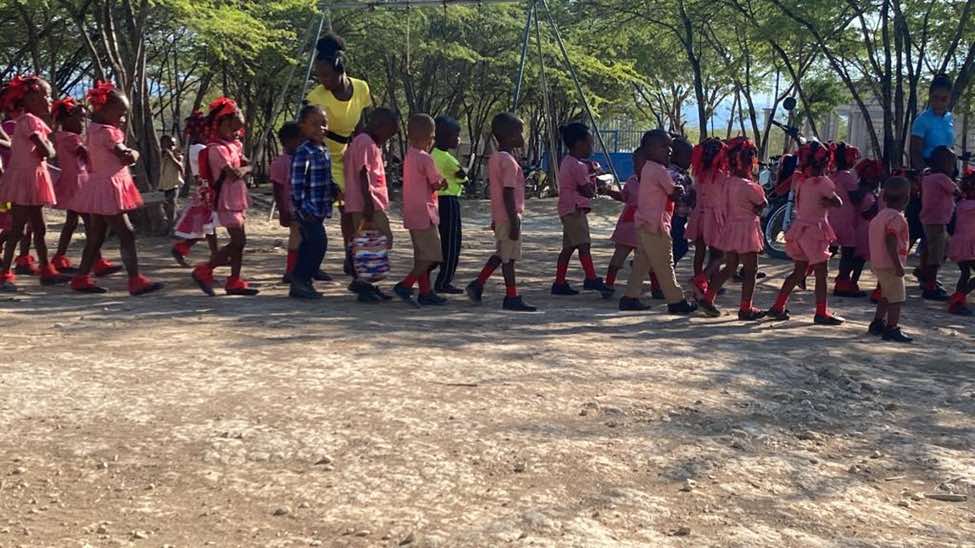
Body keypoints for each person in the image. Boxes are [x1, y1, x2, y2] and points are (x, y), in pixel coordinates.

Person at [69, 82, 162, 296]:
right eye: (120, 114)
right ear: (103, 109)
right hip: (109, 187)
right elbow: (125, 156)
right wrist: (135, 154)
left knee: (96, 235)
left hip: (99, 186)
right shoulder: (108, 133)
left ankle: (81, 277)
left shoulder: (92, 130)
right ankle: (135, 280)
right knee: (126, 233)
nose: (122, 119)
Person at [306, 33, 373, 276]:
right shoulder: (316, 97)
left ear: (339, 68)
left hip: (348, 154)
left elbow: (360, 127)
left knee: (351, 208)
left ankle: (350, 254)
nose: (322, 80)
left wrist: (364, 154)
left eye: (326, 75)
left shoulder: (362, 88)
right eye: (319, 75)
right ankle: (309, 262)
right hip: (323, 155)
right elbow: (310, 131)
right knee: (322, 209)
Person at [0, 76, 69, 291]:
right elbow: (46, 150)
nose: (49, 100)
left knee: (38, 227)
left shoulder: (31, 121)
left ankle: (46, 270)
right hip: (27, 179)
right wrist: (50, 147)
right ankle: (4, 274)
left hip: (32, 177)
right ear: (28, 98)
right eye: (45, 95)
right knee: (19, 228)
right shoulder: (29, 121)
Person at [618, 129, 697, 314]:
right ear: (649, 150)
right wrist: (678, 190)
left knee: (641, 263)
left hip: (644, 223)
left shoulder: (646, 169)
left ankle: (629, 297)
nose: (668, 151)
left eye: (669, 147)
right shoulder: (659, 170)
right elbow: (673, 191)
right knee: (665, 263)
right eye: (663, 147)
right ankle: (676, 301)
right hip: (657, 225)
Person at [465, 113, 536, 312]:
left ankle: (478, 284)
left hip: (500, 215)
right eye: (520, 132)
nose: (522, 136)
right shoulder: (509, 162)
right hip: (509, 216)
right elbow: (508, 193)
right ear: (509, 135)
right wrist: (514, 221)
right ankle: (511, 296)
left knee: (501, 253)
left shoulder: (495, 158)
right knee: (509, 258)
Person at [768, 140, 844, 324]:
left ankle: (778, 306)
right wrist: (828, 203)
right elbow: (838, 202)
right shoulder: (823, 183)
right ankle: (821, 312)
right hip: (814, 231)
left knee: (797, 271)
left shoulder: (800, 181)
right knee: (821, 272)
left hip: (799, 229)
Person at [190, 97, 258, 297]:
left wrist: (245, 167)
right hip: (226, 200)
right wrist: (247, 167)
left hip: (238, 198)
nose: (238, 132)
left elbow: (243, 166)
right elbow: (235, 172)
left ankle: (234, 280)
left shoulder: (233, 145)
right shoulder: (216, 149)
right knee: (238, 241)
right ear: (224, 122)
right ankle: (205, 269)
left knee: (240, 242)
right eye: (235, 126)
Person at [698, 137, 767, 320]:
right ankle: (746, 308)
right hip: (747, 230)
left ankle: (708, 298)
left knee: (730, 266)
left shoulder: (727, 183)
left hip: (730, 228)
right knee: (751, 269)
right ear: (750, 162)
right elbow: (761, 205)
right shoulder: (751, 187)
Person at [343, 107, 399, 303]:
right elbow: (363, 172)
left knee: (372, 242)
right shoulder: (365, 142)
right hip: (367, 204)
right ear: (379, 125)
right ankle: (362, 281)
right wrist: (368, 203)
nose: (389, 137)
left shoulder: (367, 142)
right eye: (390, 132)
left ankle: (369, 282)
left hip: (368, 203)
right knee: (376, 240)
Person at [393, 114, 448, 307]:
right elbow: (435, 183)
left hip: (412, 212)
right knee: (432, 256)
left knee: (421, 254)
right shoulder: (425, 158)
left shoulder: (409, 156)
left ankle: (426, 291)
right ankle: (406, 284)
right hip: (426, 212)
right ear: (429, 137)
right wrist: (443, 182)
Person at [552, 122, 611, 297]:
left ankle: (560, 281)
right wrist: (598, 181)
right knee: (584, 244)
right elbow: (588, 190)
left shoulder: (568, 161)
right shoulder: (577, 165)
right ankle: (591, 277)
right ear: (579, 144)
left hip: (567, 207)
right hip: (574, 207)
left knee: (569, 247)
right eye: (589, 143)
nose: (591, 148)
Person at [909, 74, 955, 289]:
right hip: (928, 177)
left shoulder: (949, 119)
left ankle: (926, 270)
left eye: (943, 98)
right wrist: (924, 172)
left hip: (946, 175)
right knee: (929, 229)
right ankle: (928, 277)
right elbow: (915, 151)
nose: (939, 102)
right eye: (936, 98)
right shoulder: (922, 120)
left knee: (946, 230)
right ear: (930, 96)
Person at [288, 104, 337, 300]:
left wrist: (334, 188)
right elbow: (296, 182)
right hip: (308, 210)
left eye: (324, 124)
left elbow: (325, 177)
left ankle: (302, 282)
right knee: (318, 243)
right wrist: (300, 208)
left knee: (309, 245)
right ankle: (300, 279)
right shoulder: (304, 151)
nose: (320, 128)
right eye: (314, 124)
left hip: (320, 207)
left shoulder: (323, 149)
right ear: (303, 127)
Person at [868, 177, 913, 343]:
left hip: (878, 263)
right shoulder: (897, 218)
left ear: (884, 197)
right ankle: (892, 328)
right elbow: (891, 240)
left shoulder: (880, 216)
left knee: (886, 295)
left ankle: (878, 322)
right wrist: (898, 264)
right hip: (890, 264)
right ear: (907, 198)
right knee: (897, 298)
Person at [170, 111, 218, 266]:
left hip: (203, 188)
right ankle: (214, 255)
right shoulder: (200, 148)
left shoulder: (195, 147)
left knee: (205, 227)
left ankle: (183, 248)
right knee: (207, 226)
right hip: (206, 189)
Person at [603, 146, 651, 297]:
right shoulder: (632, 181)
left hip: (644, 225)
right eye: (634, 163)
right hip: (629, 226)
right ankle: (609, 284)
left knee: (647, 259)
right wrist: (609, 192)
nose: (636, 167)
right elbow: (624, 197)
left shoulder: (654, 182)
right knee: (619, 256)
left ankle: (656, 288)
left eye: (639, 163)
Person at [686, 137, 727, 298]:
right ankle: (707, 280)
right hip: (715, 217)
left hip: (699, 215)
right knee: (718, 254)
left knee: (700, 251)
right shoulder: (722, 176)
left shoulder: (698, 175)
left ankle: (700, 283)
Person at [431, 115, 466, 294]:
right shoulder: (445, 158)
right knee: (452, 242)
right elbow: (462, 176)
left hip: (437, 200)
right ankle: (444, 281)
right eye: (455, 135)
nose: (458, 139)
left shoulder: (431, 154)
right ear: (444, 136)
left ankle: (440, 278)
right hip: (449, 200)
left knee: (443, 240)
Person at [919, 146, 960, 300]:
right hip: (937, 220)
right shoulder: (942, 179)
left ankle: (925, 274)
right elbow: (956, 191)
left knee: (937, 249)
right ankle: (930, 285)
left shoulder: (927, 176)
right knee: (936, 254)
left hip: (930, 219)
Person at [829, 142, 866, 297]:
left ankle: (806, 270)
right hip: (846, 218)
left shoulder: (833, 175)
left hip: (833, 216)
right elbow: (855, 198)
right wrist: (865, 189)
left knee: (831, 248)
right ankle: (843, 283)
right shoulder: (848, 177)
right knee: (848, 251)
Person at [271, 121, 303, 283]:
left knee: (304, 238)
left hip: (305, 206)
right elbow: (277, 189)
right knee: (296, 237)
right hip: (291, 207)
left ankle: (301, 268)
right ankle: (291, 270)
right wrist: (282, 210)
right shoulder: (281, 162)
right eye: (300, 139)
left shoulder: (303, 159)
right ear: (290, 141)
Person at [947, 172, 975, 315]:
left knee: (965, 273)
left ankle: (959, 298)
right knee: (966, 273)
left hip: (959, 242)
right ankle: (958, 299)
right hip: (969, 245)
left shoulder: (960, 203)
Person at [669, 136, 694, 267]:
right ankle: (665, 269)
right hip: (676, 217)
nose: (690, 161)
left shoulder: (672, 172)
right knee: (680, 246)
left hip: (677, 217)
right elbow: (681, 197)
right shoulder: (678, 176)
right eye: (688, 157)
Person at [158, 134, 184, 230]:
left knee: (171, 207)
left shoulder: (176, 154)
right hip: (164, 184)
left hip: (174, 184)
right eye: (169, 144)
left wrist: (172, 157)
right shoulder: (162, 154)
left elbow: (181, 168)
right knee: (167, 207)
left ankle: (173, 229)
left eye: (173, 144)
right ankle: (172, 227)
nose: (171, 146)